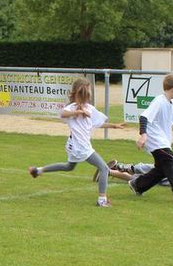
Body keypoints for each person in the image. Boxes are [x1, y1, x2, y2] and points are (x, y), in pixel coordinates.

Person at [28, 78, 124, 207]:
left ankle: (38, 170)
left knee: (69, 166)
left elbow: (98, 123)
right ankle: (102, 200)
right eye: (87, 90)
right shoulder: (72, 108)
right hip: (80, 147)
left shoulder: (90, 108)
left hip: (76, 145)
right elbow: (62, 114)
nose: (89, 93)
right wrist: (78, 111)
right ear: (81, 93)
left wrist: (114, 126)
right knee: (104, 168)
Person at [127, 73, 173, 204]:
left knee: (161, 170)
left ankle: (137, 184)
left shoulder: (171, 103)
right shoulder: (159, 101)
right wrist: (143, 135)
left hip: (163, 141)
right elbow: (144, 117)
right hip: (156, 142)